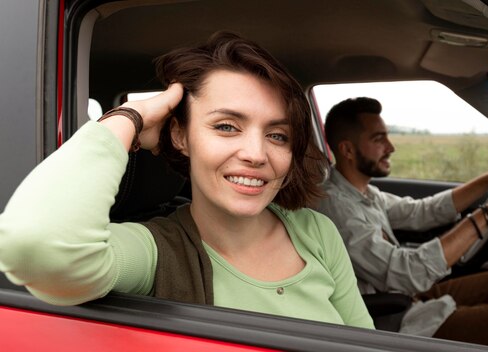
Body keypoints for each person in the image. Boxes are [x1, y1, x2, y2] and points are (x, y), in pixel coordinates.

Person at [0, 32, 373, 329]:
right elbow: (36, 246)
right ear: (180, 136)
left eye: (278, 135)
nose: (257, 154)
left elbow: (363, 342)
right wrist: (127, 119)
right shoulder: (156, 252)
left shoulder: (316, 232)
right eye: (227, 126)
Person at [316, 97, 488, 350]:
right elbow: (406, 273)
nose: (391, 147)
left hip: (404, 299)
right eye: (379, 139)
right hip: (392, 321)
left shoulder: (364, 194)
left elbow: (423, 211)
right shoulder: (337, 210)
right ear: (347, 150)